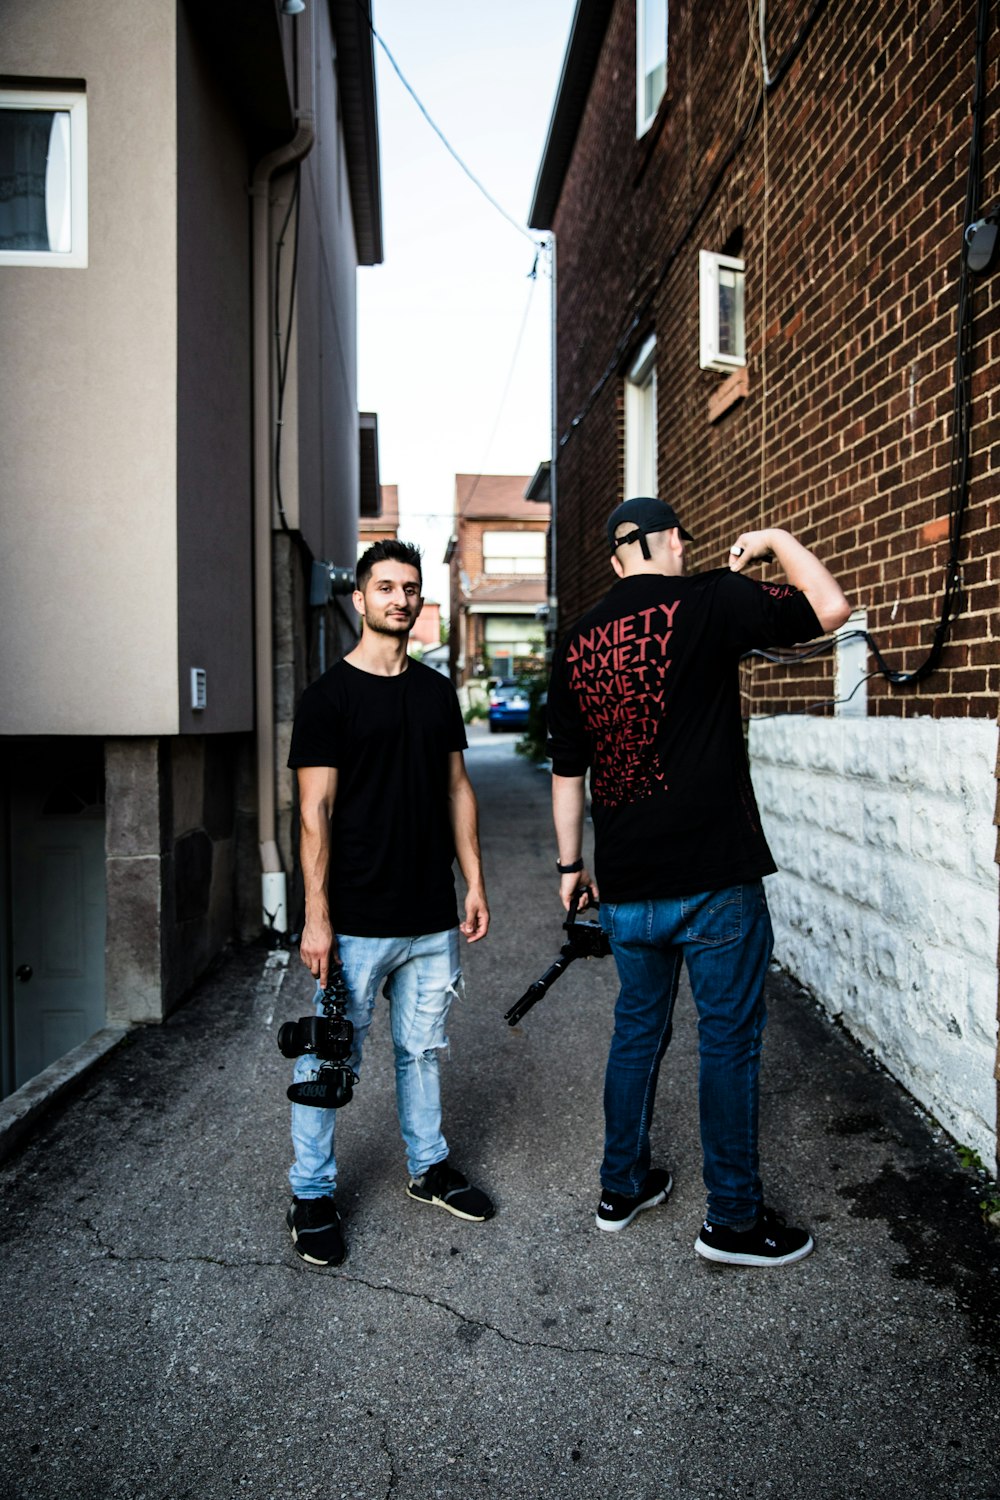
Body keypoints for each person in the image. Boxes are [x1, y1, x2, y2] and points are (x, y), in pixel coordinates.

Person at [546, 496, 850, 1267]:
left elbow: (566, 770)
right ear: (670, 541)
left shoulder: (578, 639)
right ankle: (734, 1224)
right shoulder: (713, 597)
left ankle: (622, 1187)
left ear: (617, 560)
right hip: (714, 878)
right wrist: (776, 538)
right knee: (727, 1043)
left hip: (628, 883)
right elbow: (832, 609)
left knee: (637, 1032)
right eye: (682, 540)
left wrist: (570, 869)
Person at [285, 539, 492, 1267]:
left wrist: (473, 880)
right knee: (327, 1061)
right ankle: (310, 1194)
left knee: (423, 1050)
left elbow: (457, 788)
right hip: (355, 923)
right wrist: (315, 916)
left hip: (430, 915)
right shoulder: (328, 698)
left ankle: (428, 1167)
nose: (400, 599)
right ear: (360, 599)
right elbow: (315, 813)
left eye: (410, 588)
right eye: (386, 587)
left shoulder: (435, 693)